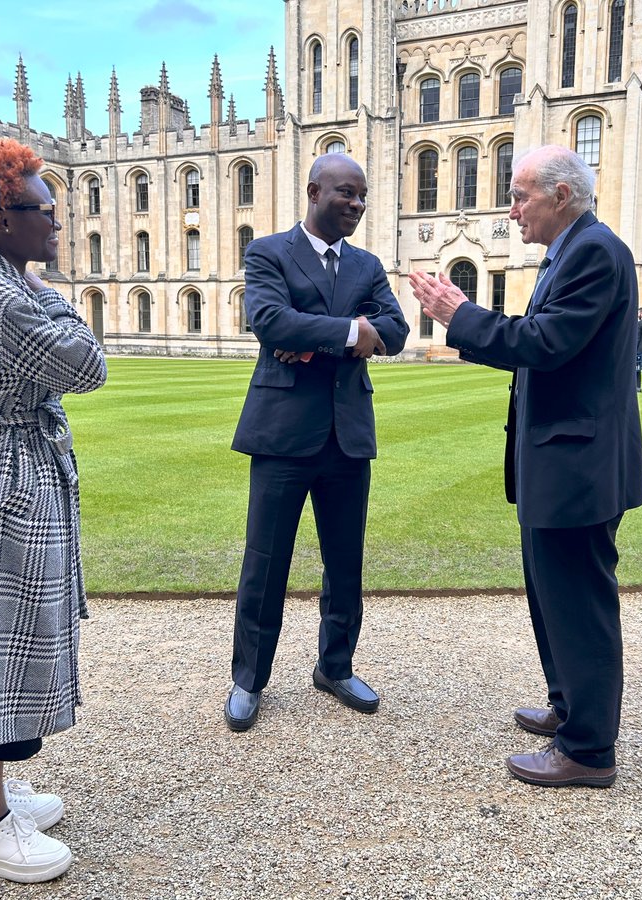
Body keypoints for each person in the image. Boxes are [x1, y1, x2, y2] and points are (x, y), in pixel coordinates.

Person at [408, 145, 642, 788]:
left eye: (520, 197)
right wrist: (470, 317)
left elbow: (544, 345)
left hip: (579, 465)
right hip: (560, 462)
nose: (512, 211)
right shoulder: (568, 253)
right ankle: (569, 707)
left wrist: (460, 316)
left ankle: (589, 751)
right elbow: (540, 342)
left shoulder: (595, 252)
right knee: (551, 597)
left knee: (579, 604)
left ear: (561, 196)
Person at [0, 138, 107, 881]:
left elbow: (74, 352)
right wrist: (55, 303)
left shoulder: (1, 279)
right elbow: (88, 364)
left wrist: (49, 299)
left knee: (15, 637)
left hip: (14, 472)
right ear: (2, 218)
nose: (57, 226)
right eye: (45, 212)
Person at [224, 153, 410, 732]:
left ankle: (335, 666)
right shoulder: (269, 252)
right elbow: (270, 320)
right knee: (265, 562)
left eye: (361, 197)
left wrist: (320, 334)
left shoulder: (368, 264)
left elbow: (398, 333)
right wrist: (355, 330)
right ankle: (248, 679)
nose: (355, 205)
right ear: (313, 191)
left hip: (347, 435)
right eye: (345, 194)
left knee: (344, 561)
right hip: (282, 434)